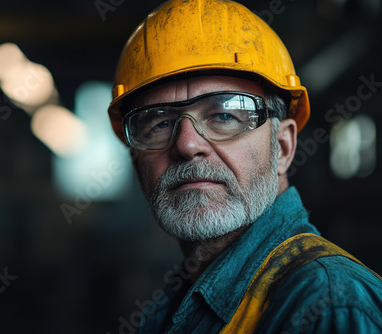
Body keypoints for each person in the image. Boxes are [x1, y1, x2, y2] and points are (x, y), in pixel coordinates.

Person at [107, 0, 382, 333]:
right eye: (159, 123)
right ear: (137, 162)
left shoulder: (327, 305)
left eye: (224, 115)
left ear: (282, 147)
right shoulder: (177, 304)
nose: (187, 145)